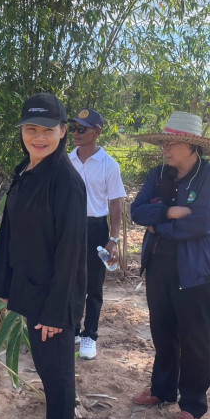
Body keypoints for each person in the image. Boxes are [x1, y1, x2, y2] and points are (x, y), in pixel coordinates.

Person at [0, 93, 87, 419]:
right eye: (31, 129)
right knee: (49, 370)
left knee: (57, 374)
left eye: (47, 130)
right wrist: (6, 283)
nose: (38, 137)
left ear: (63, 132)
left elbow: (70, 251)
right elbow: (11, 232)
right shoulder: (26, 170)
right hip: (33, 288)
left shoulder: (66, 182)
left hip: (54, 297)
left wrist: (56, 311)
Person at [130, 111, 210, 419]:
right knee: (163, 330)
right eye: (164, 142)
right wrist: (169, 212)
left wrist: (159, 225)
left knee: (195, 337)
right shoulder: (158, 174)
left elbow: (201, 224)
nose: (166, 148)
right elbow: (137, 211)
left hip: (196, 270)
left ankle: (192, 405)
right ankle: (162, 389)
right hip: (159, 264)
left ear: (192, 146)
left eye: (172, 143)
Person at [68, 108, 126, 360]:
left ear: (97, 132)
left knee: (93, 284)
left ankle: (89, 335)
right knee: (70, 280)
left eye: (82, 129)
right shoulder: (66, 161)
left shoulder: (108, 165)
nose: (76, 133)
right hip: (70, 228)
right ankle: (72, 330)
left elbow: (115, 203)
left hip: (95, 228)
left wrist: (113, 239)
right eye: (74, 128)